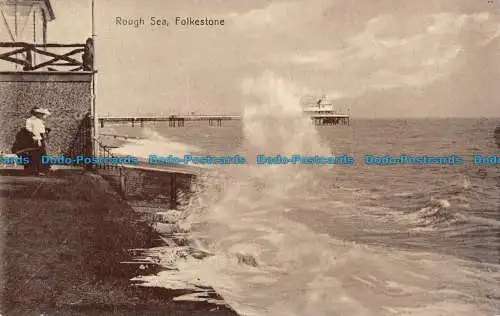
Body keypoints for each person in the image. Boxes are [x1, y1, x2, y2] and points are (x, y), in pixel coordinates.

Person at [12, 107, 52, 175]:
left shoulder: (36, 120)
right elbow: (34, 131)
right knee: (38, 153)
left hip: (35, 137)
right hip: (35, 137)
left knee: (36, 153)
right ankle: (39, 170)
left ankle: (35, 169)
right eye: (39, 113)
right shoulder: (36, 120)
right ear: (35, 113)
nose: (41, 115)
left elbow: (47, 114)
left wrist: (42, 111)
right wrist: (38, 139)